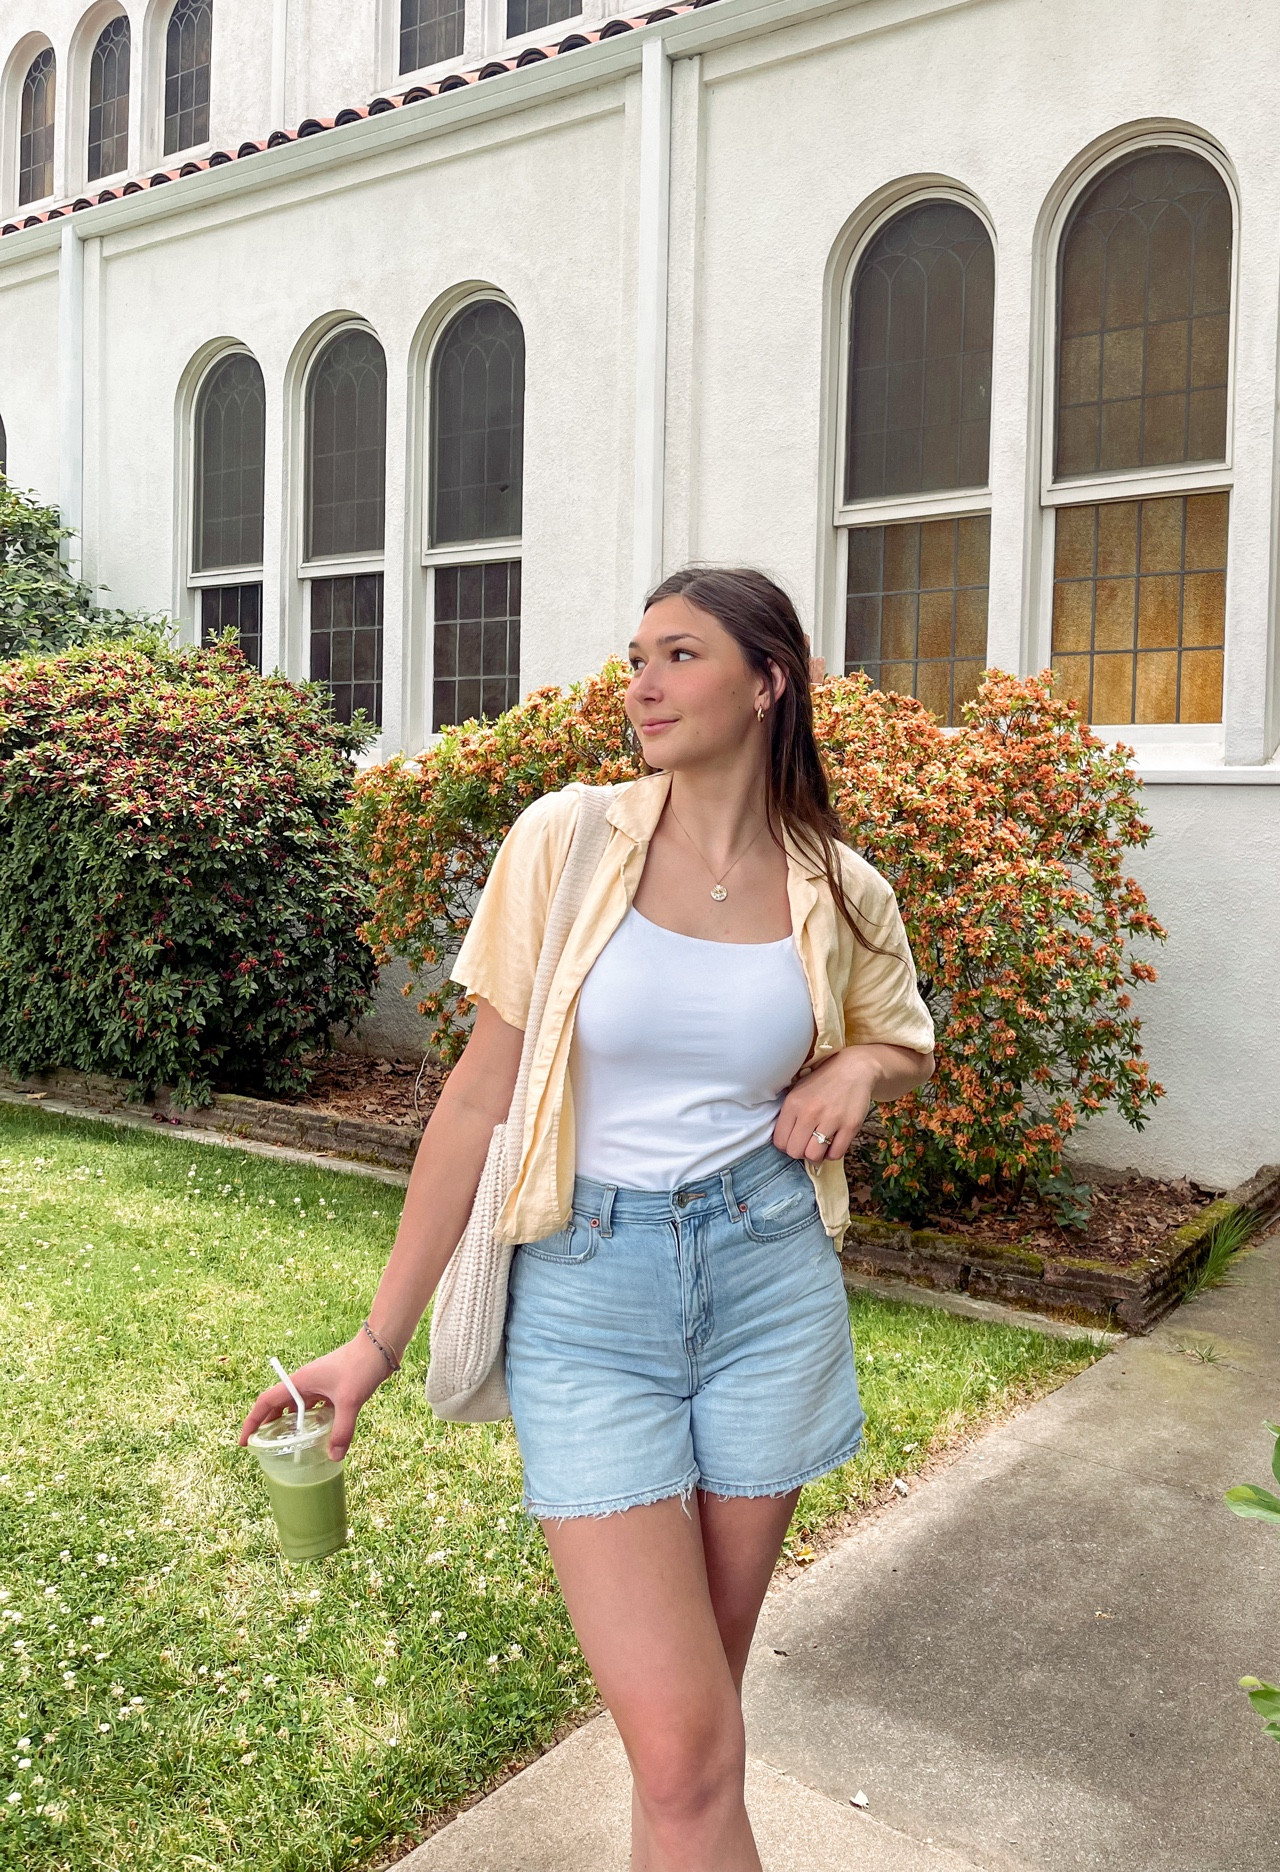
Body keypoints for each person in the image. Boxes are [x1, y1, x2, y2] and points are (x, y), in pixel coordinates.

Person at [240, 565, 935, 1872]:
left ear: (769, 680)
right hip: (587, 1300)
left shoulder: (838, 887)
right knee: (684, 1744)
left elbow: (902, 1039)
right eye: (635, 658)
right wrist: (375, 1347)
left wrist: (856, 1069)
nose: (643, 685)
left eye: (679, 655)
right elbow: (475, 1099)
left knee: (695, 1740)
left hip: (765, 1288)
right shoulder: (567, 840)